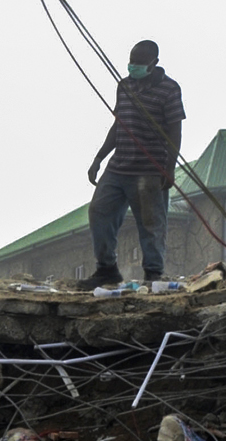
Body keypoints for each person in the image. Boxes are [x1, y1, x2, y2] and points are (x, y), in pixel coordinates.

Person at [80, 41, 185, 290]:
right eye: (131, 61)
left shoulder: (169, 90)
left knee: (151, 224)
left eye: (139, 62)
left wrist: (169, 168)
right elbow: (119, 125)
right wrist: (99, 158)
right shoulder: (124, 85)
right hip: (118, 167)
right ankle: (107, 270)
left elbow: (175, 131)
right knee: (99, 212)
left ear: (154, 63)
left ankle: (153, 274)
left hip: (149, 170)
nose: (133, 66)